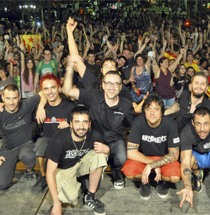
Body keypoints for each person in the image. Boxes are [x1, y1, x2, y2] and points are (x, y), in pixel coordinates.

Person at [63, 55, 138, 190]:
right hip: (94, 142)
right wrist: (69, 67)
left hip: (115, 141)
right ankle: (92, 170)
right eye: (108, 83)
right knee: (89, 188)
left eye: (116, 84)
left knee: (122, 156)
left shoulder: (126, 105)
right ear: (103, 84)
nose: (112, 87)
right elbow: (68, 91)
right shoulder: (93, 95)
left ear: (121, 87)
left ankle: (116, 171)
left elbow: (132, 128)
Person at [46, 106, 109, 215]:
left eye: (85, 122)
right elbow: (49, 172)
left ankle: (90, 198)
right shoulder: (58, 140)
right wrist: (56, 204)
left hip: (79, 163)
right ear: (70, 124)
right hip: (63, 169)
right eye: (77, 122)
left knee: (101, 155)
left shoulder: (95, 135)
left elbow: (103, 156)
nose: (81, 127)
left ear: (89, 124)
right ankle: (73, 184)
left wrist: (107, 150)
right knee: (72, 198)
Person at [122, 93, 181, 200]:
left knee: (175, 177)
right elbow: (131, 152)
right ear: (144, 111)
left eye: (156, 109)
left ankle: (160, 180)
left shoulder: (171, 124)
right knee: (129, 172)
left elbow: (174, 154)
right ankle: (146, 180)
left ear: (162, 112)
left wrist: (152, 165)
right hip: (143, 158)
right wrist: (152, 164)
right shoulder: (138, 122)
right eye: (148, 109)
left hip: (163, 159)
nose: (152, 113)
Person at [32, 73, 76, 193]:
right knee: (41, 143)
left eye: (53, 87)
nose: (50, 91)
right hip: (48, 140)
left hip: (65, 142)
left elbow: (81, 125)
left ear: (59, 88)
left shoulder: (69, 105)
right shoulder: (40, 106)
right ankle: (43, 177)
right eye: (46, 89)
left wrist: (70, 126)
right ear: (42, 91)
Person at [0, 84, 43, 190]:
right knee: (2, 184)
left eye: (14, 98)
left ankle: (29, 171)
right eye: (8, 98)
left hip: (25, 145)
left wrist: (41, 107)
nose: (11, 102)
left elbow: (43, 94)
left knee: (28, 155)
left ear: (19, 97)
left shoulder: (26, 104)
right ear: (2, 98)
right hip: (7, 149)